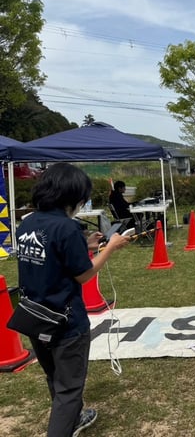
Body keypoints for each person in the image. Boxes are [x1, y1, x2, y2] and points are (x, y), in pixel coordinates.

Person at [16, 163, 129, 436]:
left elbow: (52, 254)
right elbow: (84, 274)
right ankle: (65, 424)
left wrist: (85, 245)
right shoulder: (66, 227)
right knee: (70, 389)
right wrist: (110, 247)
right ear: (74, 197)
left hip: (34, 317)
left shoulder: (28, 222)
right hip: (65, 322)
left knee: (55, 376)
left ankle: (74, 418)